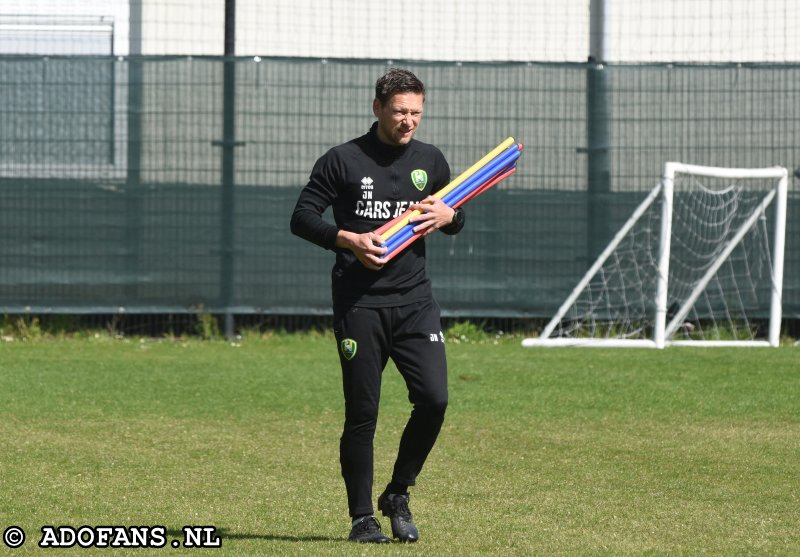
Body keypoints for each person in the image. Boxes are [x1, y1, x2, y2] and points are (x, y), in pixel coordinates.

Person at [290, 68, 465, 544]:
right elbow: (302, 217)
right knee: (363, 413)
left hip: (415, 303)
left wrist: (452, 216)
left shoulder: (431, 159)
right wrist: (346, 239)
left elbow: (452, 215)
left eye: (416, 113)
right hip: (360, 304)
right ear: (377, 108)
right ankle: (362, 519)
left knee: (434, 400)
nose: (408, 121)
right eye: (399, 112)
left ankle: (399, 492)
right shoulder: (343, 160)